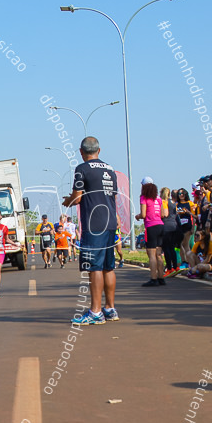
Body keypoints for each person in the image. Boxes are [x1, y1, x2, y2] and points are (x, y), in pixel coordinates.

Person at [63, 136, 119, 324]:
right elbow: (113, 197)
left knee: (94, 267)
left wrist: (67, 201)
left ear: (81, 152)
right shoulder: (110, 170)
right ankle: (110, 308)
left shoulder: (82, 169)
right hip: (110, 221)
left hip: (94, 224)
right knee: (108, 267)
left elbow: (77, 198)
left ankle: (95, 312)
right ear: (99, 150)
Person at [136, 178, 167, 286]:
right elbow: (163, 214)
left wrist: (138, 216)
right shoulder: (158, 198)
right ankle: (161, 278)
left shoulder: (144, 198)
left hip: (151, 226)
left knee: (151, 254)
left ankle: (153, 279)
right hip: (160, 225)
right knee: (159, 254)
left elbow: (143, 214)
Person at [160, 187, 181, 275]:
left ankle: (169, 268)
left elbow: (165, 214)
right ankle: (176, 266)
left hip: (166, 226)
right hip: (174, 225)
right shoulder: (173, 203)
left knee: (166, 248)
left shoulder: (164, 202)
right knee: (172, 247)